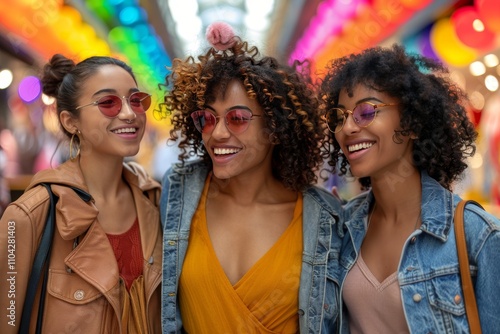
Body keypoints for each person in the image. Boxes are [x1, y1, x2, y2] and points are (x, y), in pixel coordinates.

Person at [159, 22, 343, 333]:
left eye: (238, 118)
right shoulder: (178, 193)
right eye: (206, 117)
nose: (217, 133)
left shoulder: (324, 217)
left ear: (275, 128)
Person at [319, 44, 500, 333]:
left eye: (366, 111)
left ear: (413, 122)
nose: (348, 128)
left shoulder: (477, 236)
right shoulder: (340, 227)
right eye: (340, 117)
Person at [0, 54, 162, 333]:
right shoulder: (28, 216)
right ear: (71, 121)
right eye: (108, 103)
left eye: (136, 100)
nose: (129, 113)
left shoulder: (155, 201)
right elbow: (8, 318)